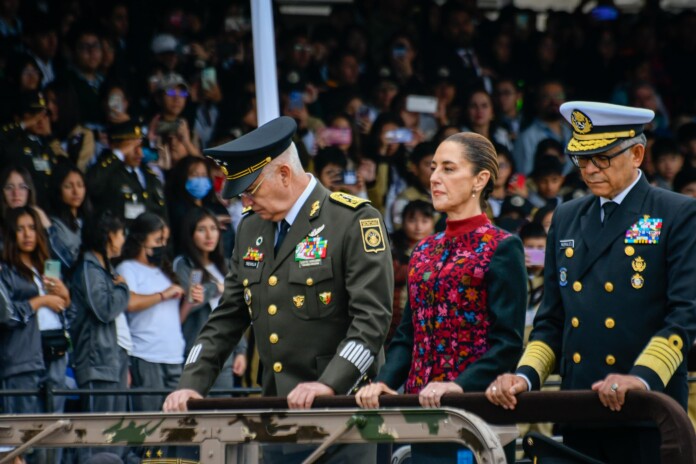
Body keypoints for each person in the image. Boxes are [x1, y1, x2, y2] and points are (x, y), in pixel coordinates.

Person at [163, 116, 393, 463]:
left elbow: (372, 320)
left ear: (284, 175)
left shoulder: (352, 220)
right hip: (278, 417)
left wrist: (330, 385)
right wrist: (191, 383)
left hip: (345, 417)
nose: (246, 204)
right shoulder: (251, 229)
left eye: (251, 191)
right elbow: (226, 318)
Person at [486, 102, 696, 464]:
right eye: (582, 159)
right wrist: (525, 376)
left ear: (637, 154)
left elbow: (684, 317)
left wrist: (641, 379)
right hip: (579, 407)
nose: (590, 169)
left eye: (602, 158)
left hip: (646, 410)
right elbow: (552, 321)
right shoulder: (566, 216)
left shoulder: (675, 212)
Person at [355, 132, 527, 463]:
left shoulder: (502, 247)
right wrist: (385, 382)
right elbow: (408, 335)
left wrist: (459, 385)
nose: (434, 177)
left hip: (477, 417)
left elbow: (507, 343)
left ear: (480, 179)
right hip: (423, 417)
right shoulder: (423, 250)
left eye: (448, 169)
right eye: (433, 168)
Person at [115, 212, 195, 412]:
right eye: (158, 240)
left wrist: (190, 301)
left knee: (177, 423)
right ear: (141, 239)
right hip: (146, 356)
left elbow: (176, 320)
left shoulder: (164, 271)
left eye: (165, 241)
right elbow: (129, 302)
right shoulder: (128, 268)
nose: (162, 245)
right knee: (150, 425)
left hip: (174, 356)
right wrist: (162, 295)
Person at [69, 211, 130, 463]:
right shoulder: (89, 268)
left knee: (115, 435)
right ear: (107, 236)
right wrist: (123, 288)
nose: (123, 239)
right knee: (96, 437)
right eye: (120, 234)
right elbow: (104, 309)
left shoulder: (105, 268)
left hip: (111, 363)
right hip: (97, 364)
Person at [173, 207, 247, 390]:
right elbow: (192, 300)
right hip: (195, 350)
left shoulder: (227, 265)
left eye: (213, 228)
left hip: (225, 351)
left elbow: (236, 312)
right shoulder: (184, 264)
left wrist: (241, 350)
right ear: (190, 234)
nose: (209, 235)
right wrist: (216, 288)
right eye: (201, 229)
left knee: (221, 411)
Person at [86, 120, 167, 224]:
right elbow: (90, 183)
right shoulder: (107, 172)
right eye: (132, 147)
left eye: (141, 146)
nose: (139, 153)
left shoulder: (150, 176)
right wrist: (118, 154)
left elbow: (163, 218)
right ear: (114, 146)